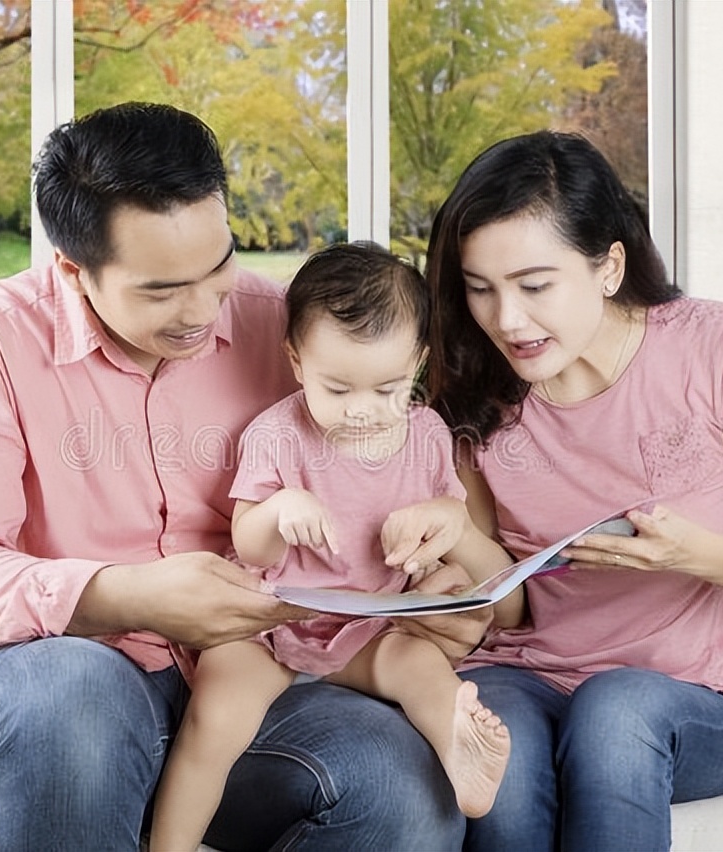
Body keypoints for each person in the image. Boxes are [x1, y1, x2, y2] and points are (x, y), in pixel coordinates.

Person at [0, 102, 485, 852]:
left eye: (219, 267)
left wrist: (427, 588)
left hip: (254, 667)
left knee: (401, 790)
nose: (206, 309)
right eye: (160, 290)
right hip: (59, 672)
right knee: (73, 705)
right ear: (74, 270)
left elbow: (389, 464)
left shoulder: (289, 326)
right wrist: (131, 594)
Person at [423, 130, 723, 852]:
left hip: (695, 697)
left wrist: (691, 552)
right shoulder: (471, 389)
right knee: (497, 745)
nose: (506, 319)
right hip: (527, 676)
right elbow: (507, 608)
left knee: (614, 712)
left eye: (534, 285)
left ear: (609, 266)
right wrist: (449, 544)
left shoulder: (718, 345)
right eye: (480, 288)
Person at [149, 243, 516, 851]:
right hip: (269, 621)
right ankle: (170, 846)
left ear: (419, 364)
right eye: (339, 389)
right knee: (216, 717)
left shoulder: (425, 434)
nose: (364, 412)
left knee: (419, 667)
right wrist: (278, 511)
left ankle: (461, 750)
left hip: (367, 626)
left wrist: (434, 529)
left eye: (389, 388)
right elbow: (249, 544)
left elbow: (449, 525)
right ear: (296, 361)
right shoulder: (277, 433)